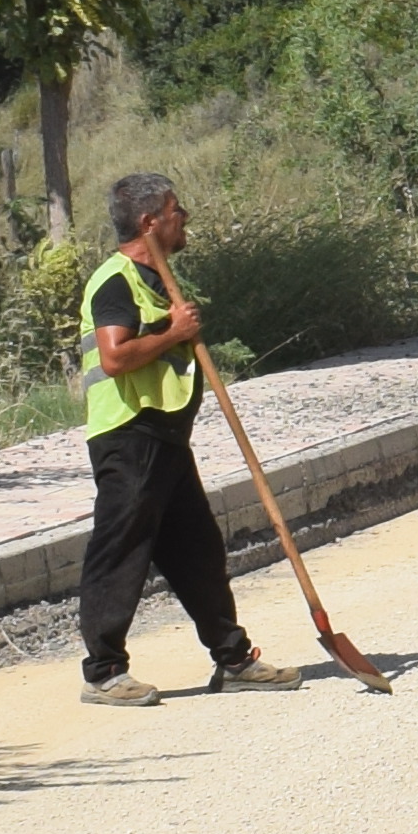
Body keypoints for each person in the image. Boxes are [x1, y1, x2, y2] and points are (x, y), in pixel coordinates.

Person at [79, 177, 274, 698]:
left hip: (165, 435)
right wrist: (174, 332)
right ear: (150, 223)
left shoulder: (156, 280)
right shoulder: (115, 281)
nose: (183, 216)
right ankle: (103, 673)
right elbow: (114, 357)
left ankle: (233, 660)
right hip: (130, 434)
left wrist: (173, 326)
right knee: (120, 552)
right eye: (174, 210)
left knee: (198, 551)